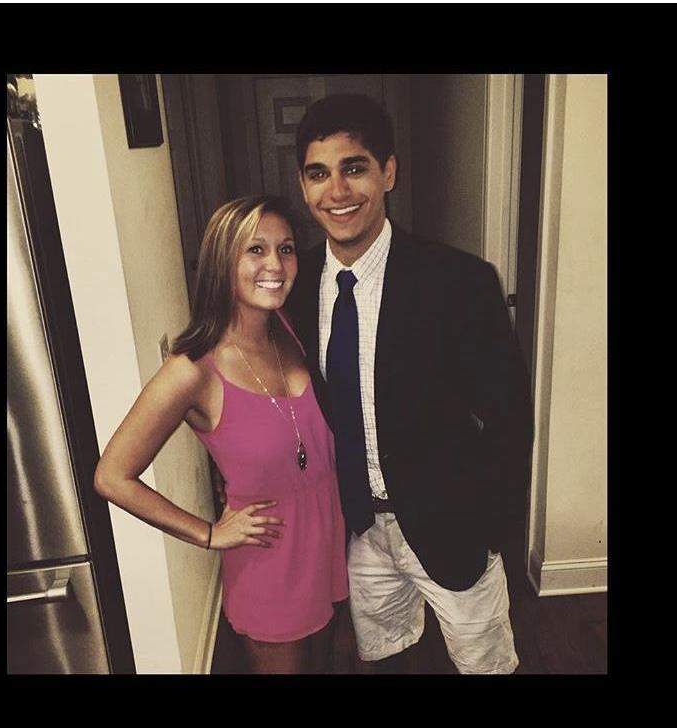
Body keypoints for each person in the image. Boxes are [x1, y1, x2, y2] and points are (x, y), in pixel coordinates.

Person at [285, 93, 534, 674]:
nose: (337, 191)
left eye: (354, 168)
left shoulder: (459, 281)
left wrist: (491, 526)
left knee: (485, 663)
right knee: (387, 656)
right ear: (303, 185)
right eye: (319, 174)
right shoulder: (295, 287)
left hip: (450, 523)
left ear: (388, 172)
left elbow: (509, 414)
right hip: (358, 527)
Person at [94, 195, 348, 674]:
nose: (275, 265)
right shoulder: (192, 370)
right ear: (222, 262)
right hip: (269, 561)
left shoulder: (289, 328)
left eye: (286, 249)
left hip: (326, 540)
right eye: (255, 249)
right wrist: (208, 533)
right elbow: (111, 476)